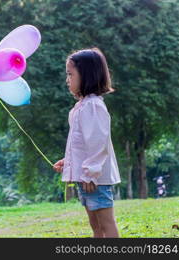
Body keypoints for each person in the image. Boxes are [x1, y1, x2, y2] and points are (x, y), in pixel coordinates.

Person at [53, 48, 121, 238]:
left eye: (70, 74)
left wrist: (91, 172)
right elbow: (81, 144)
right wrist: (69, 161)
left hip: (94, 178)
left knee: (105, 223)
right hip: (87, 177)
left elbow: (99, 143)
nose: (67, 79)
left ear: (87, 76)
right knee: (96, 226)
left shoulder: (93, 106)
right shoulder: (81, 106)